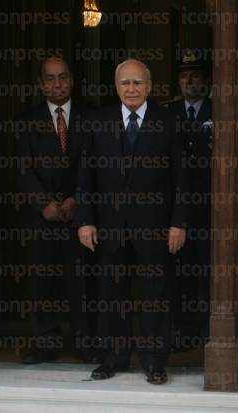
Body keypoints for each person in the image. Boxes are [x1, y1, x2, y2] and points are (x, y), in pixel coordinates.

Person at [75, 58, 187, 384]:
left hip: (156, 228)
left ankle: (154, 362)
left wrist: (178, 223)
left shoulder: (168, 122)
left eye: (138, 83)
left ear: (149, 86)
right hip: (109, 227)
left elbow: (181, 179)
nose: (132, 89)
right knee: (112, 297)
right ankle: (113, 358)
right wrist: (85, 221)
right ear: (116, 87)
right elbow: (86, 178)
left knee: (155, 297)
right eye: (125, 83)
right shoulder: (98, 122)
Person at [15, 57, 98, 364]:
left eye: (62, 77)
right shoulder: (26, 120)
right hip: (42, 218)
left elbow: (93, 165)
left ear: (72, 80)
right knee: (42, 282)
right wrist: (43, 205)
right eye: (50, 79)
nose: (57, 83)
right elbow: (24, 170)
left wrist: (77, 199)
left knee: (81, 282)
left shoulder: (90, 119)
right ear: (41, 84)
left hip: (80, 216)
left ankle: (84, 343)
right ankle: (45, 343)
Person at [168, 49, 212, 351]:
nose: (190, 82)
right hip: (177, 208)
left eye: (195, 76)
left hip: (211, 206)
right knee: (180, 274)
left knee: (208, 271)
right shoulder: (167, 113)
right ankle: (183, 333)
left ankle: (209, 332)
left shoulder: (219, 109)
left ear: (205, 80)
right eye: (184, 77)